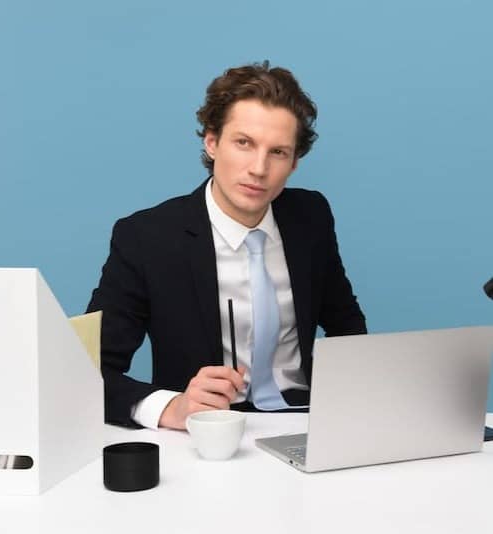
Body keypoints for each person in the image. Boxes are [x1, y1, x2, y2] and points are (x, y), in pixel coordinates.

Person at [87, 61, 366, 430]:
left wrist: (357, 402)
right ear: (212, 142)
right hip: (206, 433)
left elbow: (347, 326)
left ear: (295, 163)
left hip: (308, 423)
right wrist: (172, 408)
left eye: (278, 152)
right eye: (244, 143)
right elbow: (88, 372)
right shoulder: (146, 238)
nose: (259, 168)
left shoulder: (310, 217)